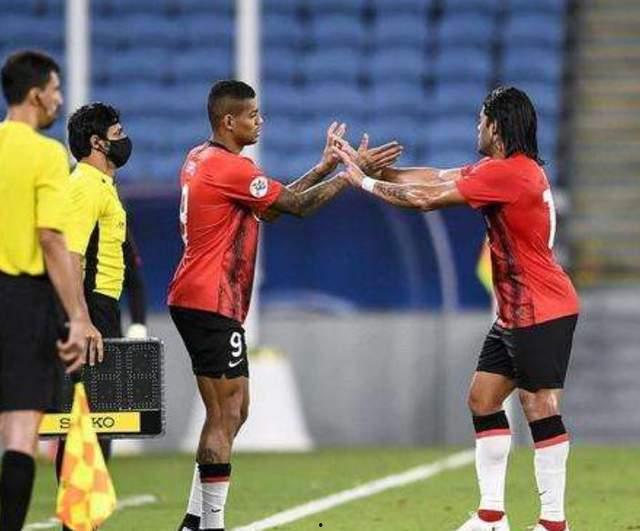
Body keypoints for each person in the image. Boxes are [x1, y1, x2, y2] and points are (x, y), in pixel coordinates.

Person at [336, 86, 579, 531]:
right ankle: (492, 516)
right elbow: (435, 177)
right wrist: (379, 168)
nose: (476, 127)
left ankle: (553, 523)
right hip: (516, 309)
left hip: (541, 307)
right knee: (482, 399)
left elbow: (426, 199)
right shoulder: (501, 169)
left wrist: (364, 182)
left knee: (538, 404)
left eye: (481, 120)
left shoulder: (510, 174)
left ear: (496, 127)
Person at [168, 79, 402, 531]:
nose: (261, 121)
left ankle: (196, 519)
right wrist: (350, 175)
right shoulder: (230, 168)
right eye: (252, 115)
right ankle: (209, 524)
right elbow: (296, 206)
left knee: (233, 411)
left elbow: (271, 206)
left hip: (201, 297)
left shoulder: (201, 158)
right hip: (210, 298)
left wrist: (323, 167)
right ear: (229, 120)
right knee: (226, 413)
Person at [0, 50, 98, 531]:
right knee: (20, 430)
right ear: (37, 95)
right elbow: (51, 239)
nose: (60, 99)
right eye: (56, 90)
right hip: (21, 299)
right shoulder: (46, 154)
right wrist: (78, 315)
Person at [53, 101, 132, 530]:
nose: (125, 140)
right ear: (97, 143)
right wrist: (81, 318)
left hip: (101, 305)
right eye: (117, 134)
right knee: (86, 420)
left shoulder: (101, 184)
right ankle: (77, 522)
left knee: (99, 420)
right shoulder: (85, 185)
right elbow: (70, 255)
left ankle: (82, 521)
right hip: (91, 306)